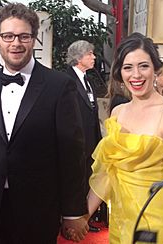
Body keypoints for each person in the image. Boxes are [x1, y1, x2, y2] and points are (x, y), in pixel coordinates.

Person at [0, 3, 89, 244]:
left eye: (23, 36)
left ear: (34, 39)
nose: (15, 43)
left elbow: (72, 153)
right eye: (8, 36)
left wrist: (73, 211)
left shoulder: (59, 86)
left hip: (40, 207)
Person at [84, 32, 163, 243]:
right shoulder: (118, 112)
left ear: (155, 68)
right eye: (128, 67)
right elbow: (106, 171)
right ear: (120, 72)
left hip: (157, 218)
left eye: (143, 66)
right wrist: (82, 216)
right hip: (121, 217)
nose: (136, 75)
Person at [66, 40, 104, 232]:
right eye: (90, 54)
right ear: (79, 57)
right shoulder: (66, 79)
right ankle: (69, 218)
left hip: (90, 140)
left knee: (86, 177)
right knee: (74, 178)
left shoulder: (88, 80)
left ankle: (82, 218)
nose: (94, 57)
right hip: (74, 140)